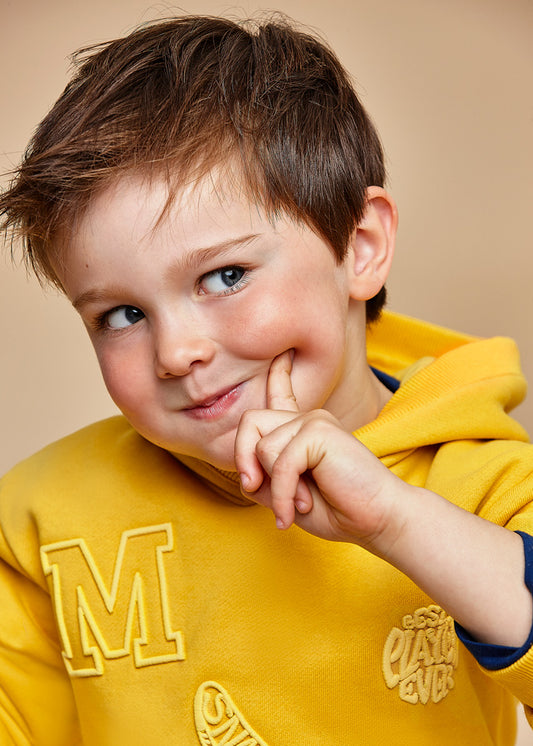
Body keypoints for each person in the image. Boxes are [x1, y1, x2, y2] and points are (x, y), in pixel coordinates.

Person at [0, 14, 532, 746]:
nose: (176, 352)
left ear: (361, 246)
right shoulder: (40, 514)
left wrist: (395, 518)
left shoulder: (487, 483)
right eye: (121, 314)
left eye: (224, 275)